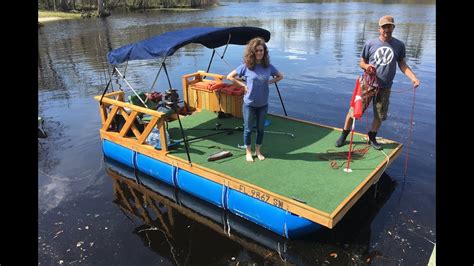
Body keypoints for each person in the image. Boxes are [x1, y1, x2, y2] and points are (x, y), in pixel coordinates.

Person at [335, 15, 420, 150]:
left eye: (389, 26)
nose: (387, 29)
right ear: (379, 29)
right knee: (354, 112)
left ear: (393, 27)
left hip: (385, 87)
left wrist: (413, 78)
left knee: (379, 115)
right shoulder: (370, 44)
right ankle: (344, 134)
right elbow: (362, 62)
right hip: (367, 84)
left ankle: (372, 137)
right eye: (384, 26)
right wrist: (367, 67)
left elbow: (402, 64)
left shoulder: (399, 45)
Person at [227, 37, 284, 162]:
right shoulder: (246, 66)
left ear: (264, 52)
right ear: (253, 52)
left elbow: (280, 76)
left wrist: (269, 81)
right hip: (249, 104)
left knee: (260, 129)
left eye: (261, 50)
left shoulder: (268, 67)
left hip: (263, 104)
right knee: (248, 129)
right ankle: (248, 152)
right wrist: (243, 85)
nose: (259, 53)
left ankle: (258, 151)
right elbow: (230, 77)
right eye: (257, 50)